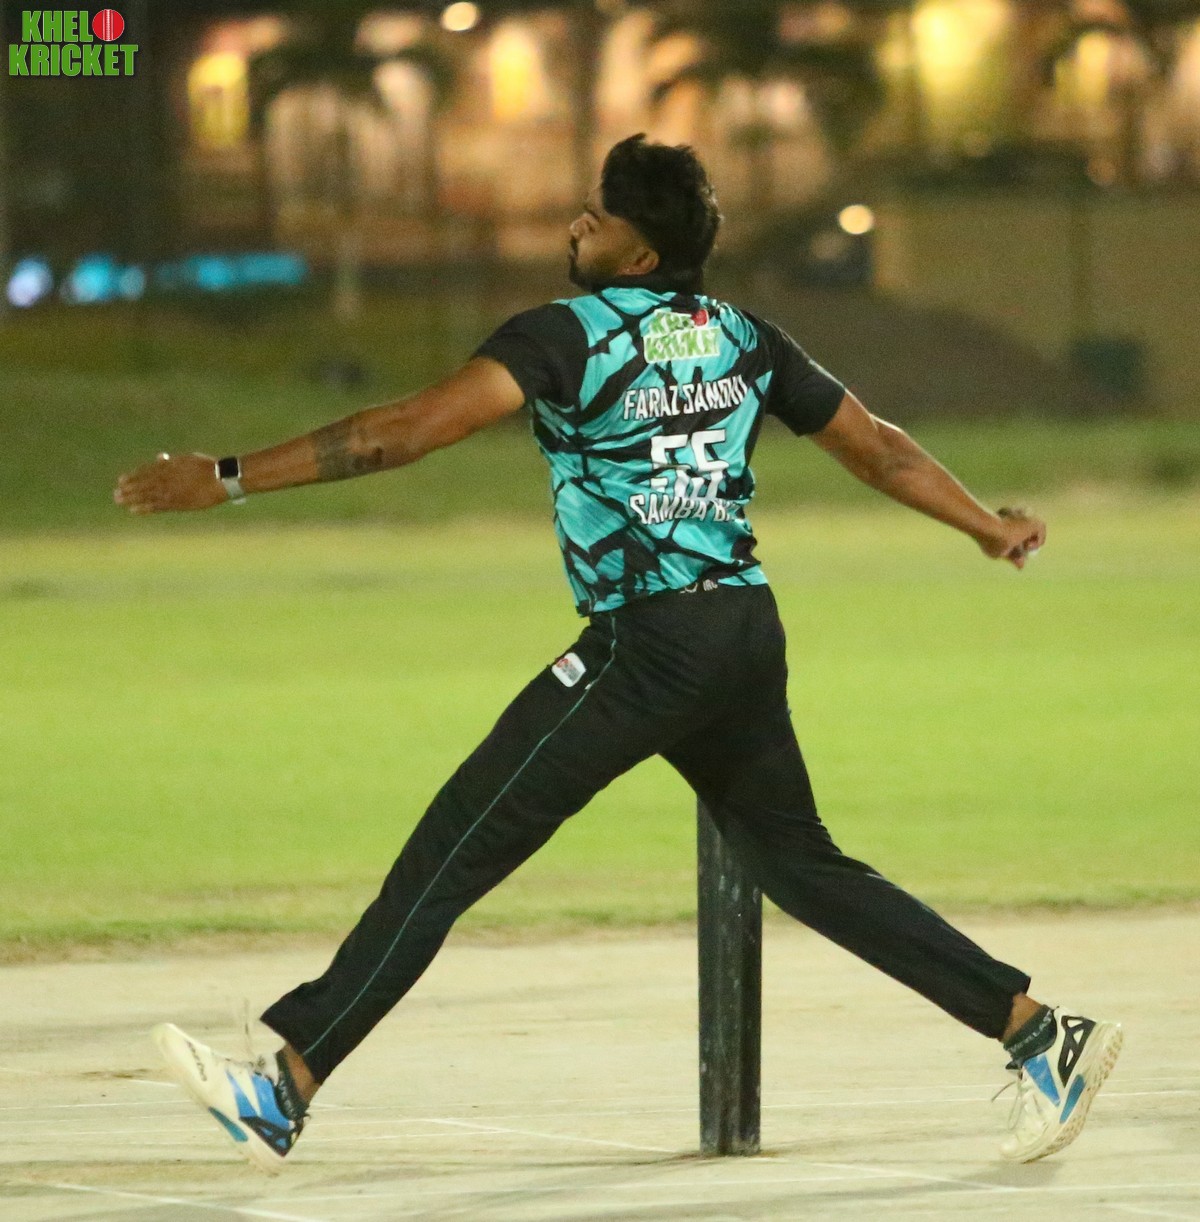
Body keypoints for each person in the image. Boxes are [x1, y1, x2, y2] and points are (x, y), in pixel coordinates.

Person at [115, 134, 1121, 1176]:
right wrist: (984, 525)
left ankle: (284, 1087)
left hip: (649, 646)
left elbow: (399, 433)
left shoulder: (564, 336)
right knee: (802, 867)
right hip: (741, 630)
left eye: (597, 219)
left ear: (638, 257)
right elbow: (877, 446)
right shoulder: (744, 337)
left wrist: (226, 478)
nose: (576, 226)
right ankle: (1038, 1034)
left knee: (456, 845)